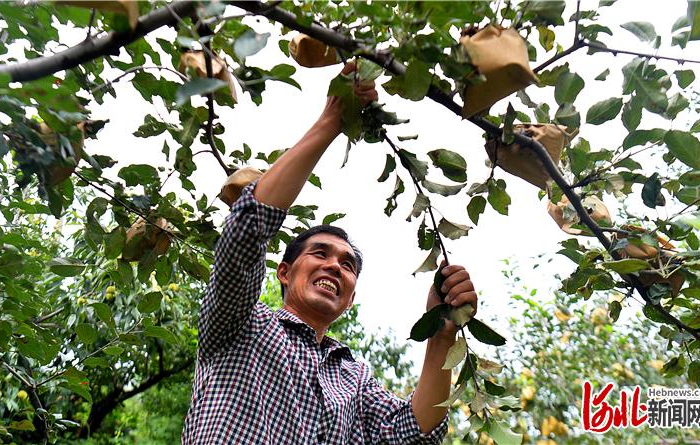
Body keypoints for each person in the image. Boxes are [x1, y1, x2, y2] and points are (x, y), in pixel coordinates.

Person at [182, 62, 478, 445]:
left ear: (351, 298)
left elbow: (414, 434)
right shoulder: (241, 324)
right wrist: (332, 121)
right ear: (284, 272)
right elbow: (245, 232)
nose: (334, 266)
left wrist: (441, 333)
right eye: (319, 253)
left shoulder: (353, 379)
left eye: (347, 264)